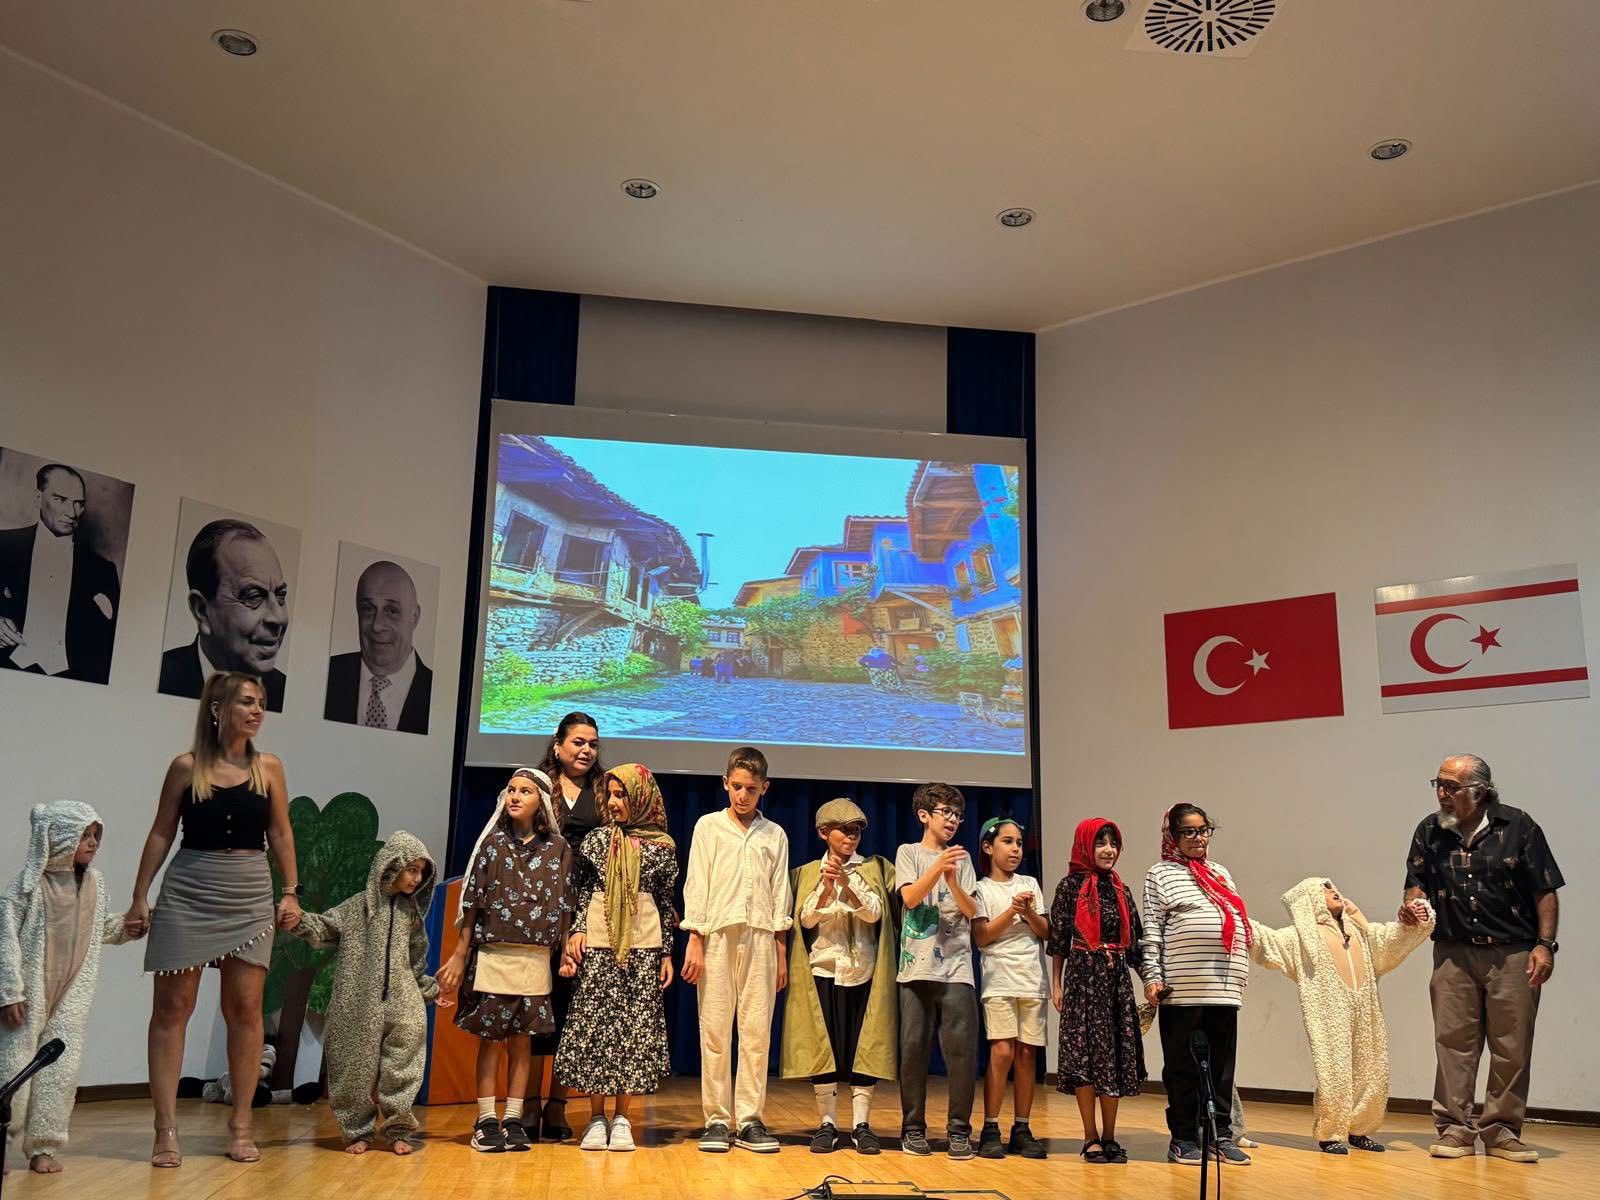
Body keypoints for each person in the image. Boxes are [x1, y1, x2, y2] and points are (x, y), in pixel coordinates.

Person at [129, 670, 302, 1166]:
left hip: (248, 893)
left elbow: (281, 833)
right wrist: (140, 896)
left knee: (245, 1010)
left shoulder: (269, 767)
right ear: (217, 708)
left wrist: (291, 893)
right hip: (189, 891)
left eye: (261, 702)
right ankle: (165, 1129)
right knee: (172, 1009)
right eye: (247, 701)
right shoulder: (186, 767)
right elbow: (161, 832)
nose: (257, 710)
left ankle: (241, 1126)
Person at [1401, 755, 1564, 1163]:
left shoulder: (1519, 826)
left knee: (1512, 1045)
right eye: (1438, 784)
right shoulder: (1430, 830)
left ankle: (1502, 1130)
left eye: (1451, 787)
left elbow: (1545, 889)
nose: (1442, 793)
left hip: (1514, 952)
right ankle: (1454, 1129)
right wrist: (1411, 906)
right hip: (1452, 953)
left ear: (1481, 791)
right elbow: (1415, 884)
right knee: (1453, 1043)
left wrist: (1545, 945)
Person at [281, 831, 441, 1154]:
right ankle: (357, 1131)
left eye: (421, 872)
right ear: (391, 866)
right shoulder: (357, 907)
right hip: (359, 998)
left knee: (405, 1058)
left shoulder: (411, 913)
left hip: (403, 997)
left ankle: (398, 1129)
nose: (417, 878)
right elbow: (325, 927)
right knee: (353, 1063)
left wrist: (427, 989)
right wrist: (299, 922)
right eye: (411, 870)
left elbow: (416, 957)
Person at [437, 768, 572, 1154]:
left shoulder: (558, 848)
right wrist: (460, 954)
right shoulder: (493, 845)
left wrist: (565, 950)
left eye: (525, 791)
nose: (515, 796)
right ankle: (485, 1120)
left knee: (522, 1041)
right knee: (491, 1039)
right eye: (511, 790)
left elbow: (565, 903)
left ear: (540, 801)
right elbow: (473, 902)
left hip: (534, 958)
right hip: (494, 954)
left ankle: (513, 1117)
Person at [1249, 877, 1434, 1153]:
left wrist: (1416, 920)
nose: (1333, 890)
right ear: (1311, 900)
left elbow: (1390, 940)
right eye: (1324, 889)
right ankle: (1331, 1133)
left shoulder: (1360, 932)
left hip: (1365, 1008)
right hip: (1329, 1013)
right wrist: (1237, 919)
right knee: (1334, 1072)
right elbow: (1268, 941)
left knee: (1372, 1069)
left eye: (1333, 887)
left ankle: (1360, 1129)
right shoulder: (1302, 939)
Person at [0, 803, 136, 1176]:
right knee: (11, 1067)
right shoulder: (26, 887)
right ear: (59, 838)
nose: (92, 843)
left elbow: (96, 929)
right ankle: (0, 1142)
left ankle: (44, 1145)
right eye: (83, 836)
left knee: (60, 1070)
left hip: (71, 994)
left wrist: (126, 927)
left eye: (95, 836)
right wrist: (10, 992)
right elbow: (5, 941)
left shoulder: (95, 883)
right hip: (28, 994)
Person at [554, 764, 678, 1152]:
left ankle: (622, 1117)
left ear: (640, 797)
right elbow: (583, 889)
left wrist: (667, 952)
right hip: (599, 940)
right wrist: (577, 930)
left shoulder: (662, 848)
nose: (612, 802)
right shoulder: (595, 841)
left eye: (621, 795)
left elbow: (665, 902)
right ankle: (596, 1116)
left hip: (643, 945)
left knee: (632, 1027)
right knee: (597, 1025)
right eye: (609, 794)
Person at [681, 746, 792, 1154]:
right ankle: (716, 1118)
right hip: (716, 935)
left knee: (756, 1031)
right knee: (714, 1028)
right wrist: (695, 938)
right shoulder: (708, 827)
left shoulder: (774, 834)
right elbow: (697, 883)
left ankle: (749, 1120)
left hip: (760, 937)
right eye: (737, 786)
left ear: (765, 788)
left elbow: (780, 892)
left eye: (751, 789)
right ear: (725, 783)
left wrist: (781, 952)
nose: (743, 795)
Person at [779, 798, 897, 1156]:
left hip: (864, 971)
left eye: (856, 830)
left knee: (863, 1048)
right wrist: (827, 889)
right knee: (825, 1047)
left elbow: (876, 914)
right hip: (825, 969)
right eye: (843, 830)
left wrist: (848, 885)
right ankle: (827, 1122)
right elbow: (805, 920)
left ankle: (861, 1124)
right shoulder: (806, 873)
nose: (851, 836)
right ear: (823, 833)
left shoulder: (873, 868)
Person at [1140, 804, 1251, 1166]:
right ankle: (1184, 1137)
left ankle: (1220, 1135)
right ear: (1172, 835)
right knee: (1182, 1067)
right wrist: (1153, 977)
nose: (1198, 838)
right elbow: (1152, 930)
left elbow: (1236, 920)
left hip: (1223, 987)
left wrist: (1240, 973)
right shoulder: (1160, 874)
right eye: (1189, 831)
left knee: (1221, 1068)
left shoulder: (1220, 872)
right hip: (1181, 988)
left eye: (1204, 830)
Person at [1048, 817, 1145, 1165]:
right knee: (1085, 1057)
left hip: (1115, 982)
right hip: (1082, 980)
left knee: (1113, 1056)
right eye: (1100, 843)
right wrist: (1056, 983)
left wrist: (1150, 982)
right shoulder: (1069, 887)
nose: (1108, 850)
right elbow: (1058, 940)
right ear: (1085, 846)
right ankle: (1089, 1136)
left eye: (1113, 843)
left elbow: (1135, 943)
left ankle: (1110, 1136)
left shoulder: (1121, 889)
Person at [527, 711, 605, 1140]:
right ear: (557, 745)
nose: (586, 750)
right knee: (536, 1004)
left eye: (592, 743)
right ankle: (526, 1103)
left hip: (587, 911)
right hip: (539, 907)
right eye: (578, 742)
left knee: (570, 1009)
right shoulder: (536, 785)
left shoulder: (604, 789)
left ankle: (557, 1105)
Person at [895, 782, 979, 1160]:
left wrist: (952, 878)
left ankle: (959, 1131)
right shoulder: (909, 852)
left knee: (961, 1053)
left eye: (958, 815)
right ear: (924, 815)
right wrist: (937, 868)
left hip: (957, 967)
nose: (953, 820)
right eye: (946, 812)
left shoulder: (962, 858)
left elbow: (971, 910)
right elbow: (911, 898)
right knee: (913, 1050)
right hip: (916, 966)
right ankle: (913, 1128)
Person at [0, 463, 120, 684]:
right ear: (38, 498)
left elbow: (111, 645)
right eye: (60, 499)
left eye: (79, 503)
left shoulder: (103, 571)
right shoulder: (3, 545)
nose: (72, 513)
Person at [972, 818, 1049, 1160]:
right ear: (988, 847)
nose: (1015, 849)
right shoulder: (981, 889)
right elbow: (982, 936)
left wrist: (1028, 911)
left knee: (1027, 1054)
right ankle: (990, 1126)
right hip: (999, 978)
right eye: (1007, 841)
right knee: (1002, 1051)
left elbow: (1045, 932)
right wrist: (1011, 912)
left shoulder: (1030, 883)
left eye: (1019, 842)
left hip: (1032, 978)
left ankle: (1022, 1127)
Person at [158, 519, 289, 711]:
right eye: (253, 596)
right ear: (202, 611)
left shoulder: (286, 693)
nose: (277, 618)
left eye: (280, 595)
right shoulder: (158, 676)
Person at [323, 560, 432, 734]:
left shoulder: (437, 694)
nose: (377, 625)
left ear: (414, 617)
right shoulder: (324, 674)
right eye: (368, 609)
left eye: (392, 611)